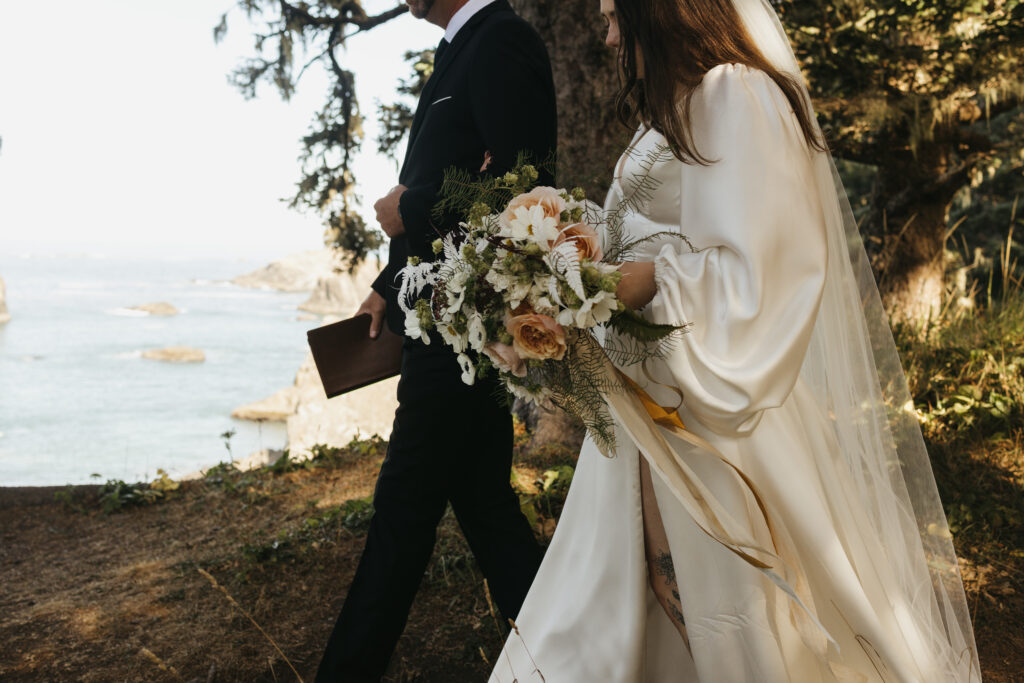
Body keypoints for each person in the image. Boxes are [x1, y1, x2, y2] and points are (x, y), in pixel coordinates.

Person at [489, 0, 980, 681]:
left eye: (612, 15)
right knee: (643, 599)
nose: (605, 34)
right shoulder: (683, 102)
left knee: (716, 604)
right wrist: (577, 251)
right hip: (651, 397)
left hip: (705, 411)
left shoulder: (735, 92)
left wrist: (641, 278)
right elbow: (666, 232)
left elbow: (762, 274)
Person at [315, 1, 557, 681]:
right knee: (487, 510)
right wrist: (388, 283)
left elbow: (525, 189)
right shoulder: (461, 47)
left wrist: (409, 210)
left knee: (402, 514)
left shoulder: (504, 41)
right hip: (440, 322)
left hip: (462, 333)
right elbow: (456, 174)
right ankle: (568, 651)